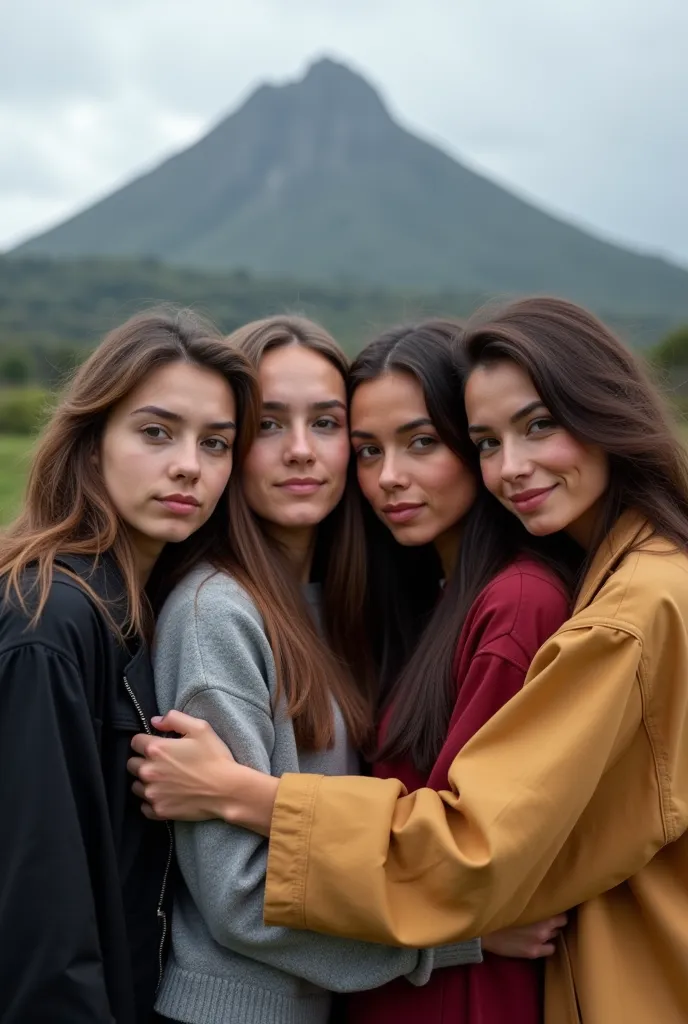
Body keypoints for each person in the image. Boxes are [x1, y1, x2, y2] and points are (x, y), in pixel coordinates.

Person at [133, 297, 688, 1022]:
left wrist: (243, 793)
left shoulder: (577, 607)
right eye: (369, 448)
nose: (389, 475)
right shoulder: (333, 605)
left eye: (424, 441)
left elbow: (471, 849)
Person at [148, 315, 484, 1024]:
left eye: (326, 424)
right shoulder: (216, 614)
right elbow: (239, 897)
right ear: (230, 446)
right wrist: (457, 938)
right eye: (269, 425)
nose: (301, 451)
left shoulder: (336, 605)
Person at [0, 308, 258, 1023]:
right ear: (91, 446)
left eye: (216, 443)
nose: (189, 465)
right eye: (156, 432)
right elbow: (40, 910)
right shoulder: (47, 619)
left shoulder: (148, 609)